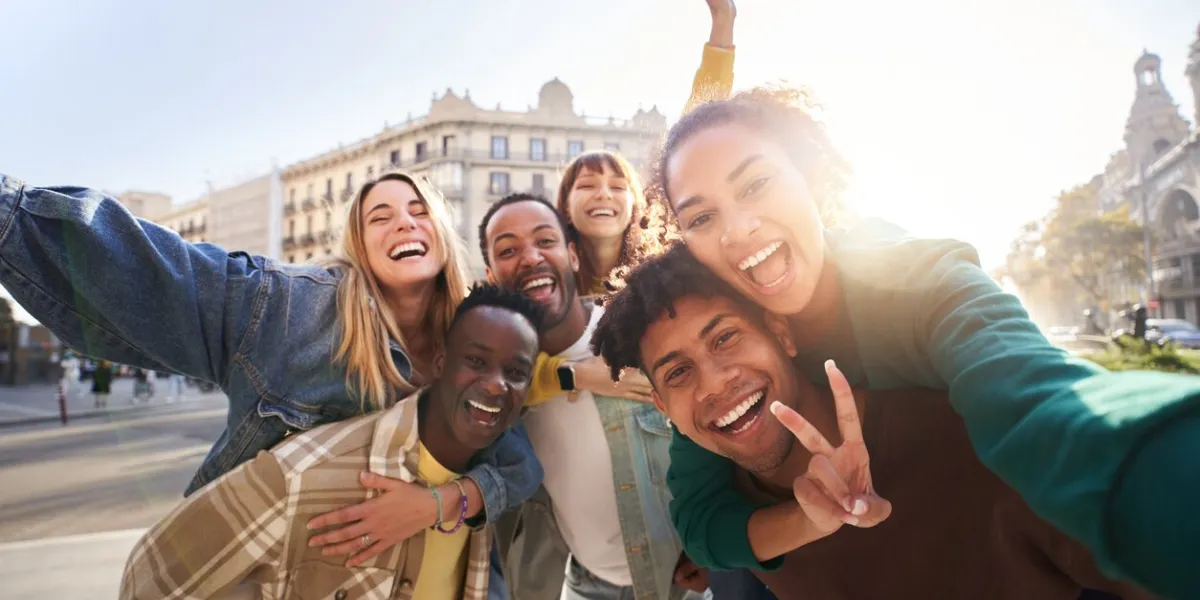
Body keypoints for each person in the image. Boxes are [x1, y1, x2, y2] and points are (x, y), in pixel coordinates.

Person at [640, 86, 1200, 598]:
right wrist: (807, 521)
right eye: (703, 217)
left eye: (756, 185)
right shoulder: (721, 351)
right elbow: (699, 516)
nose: (737, 230)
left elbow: (1034, 396)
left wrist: (1153, 471)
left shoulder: (910, 276)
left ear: (808, 176)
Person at [0, 172, 539, 573]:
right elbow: (158, 271)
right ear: (359, 244)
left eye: (419, 211)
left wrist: (436, 505)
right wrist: (11, 213)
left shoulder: (477, 334)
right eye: (380, 216)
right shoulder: (289, 306)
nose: (404, 221)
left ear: (441, 232)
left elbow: (518, 464)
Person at [591, 245, 1154, 599]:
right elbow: (701, 529)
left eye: (726, 337)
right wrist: (809, 521)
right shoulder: (741, 509)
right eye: (679, 373)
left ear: (781, 332)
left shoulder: (971, 434)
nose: (714, 382)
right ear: (664, 410)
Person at [120, 283, 543, 600]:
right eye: (475, 361)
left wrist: (449, 502)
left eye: (516, 373)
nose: (495, 385)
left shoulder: (493, 479)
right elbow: (151, 579)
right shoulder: (303, 475)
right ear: (439, 362)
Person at [479, 194, 707, 600]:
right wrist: (573, 377)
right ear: (491, 275)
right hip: (584, 585)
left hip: (686, 581)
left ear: (573, 255)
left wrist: (718, 533)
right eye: (509, 250)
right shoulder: (501, 378)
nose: (530, 257)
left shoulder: (639, 332)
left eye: (545, 241)